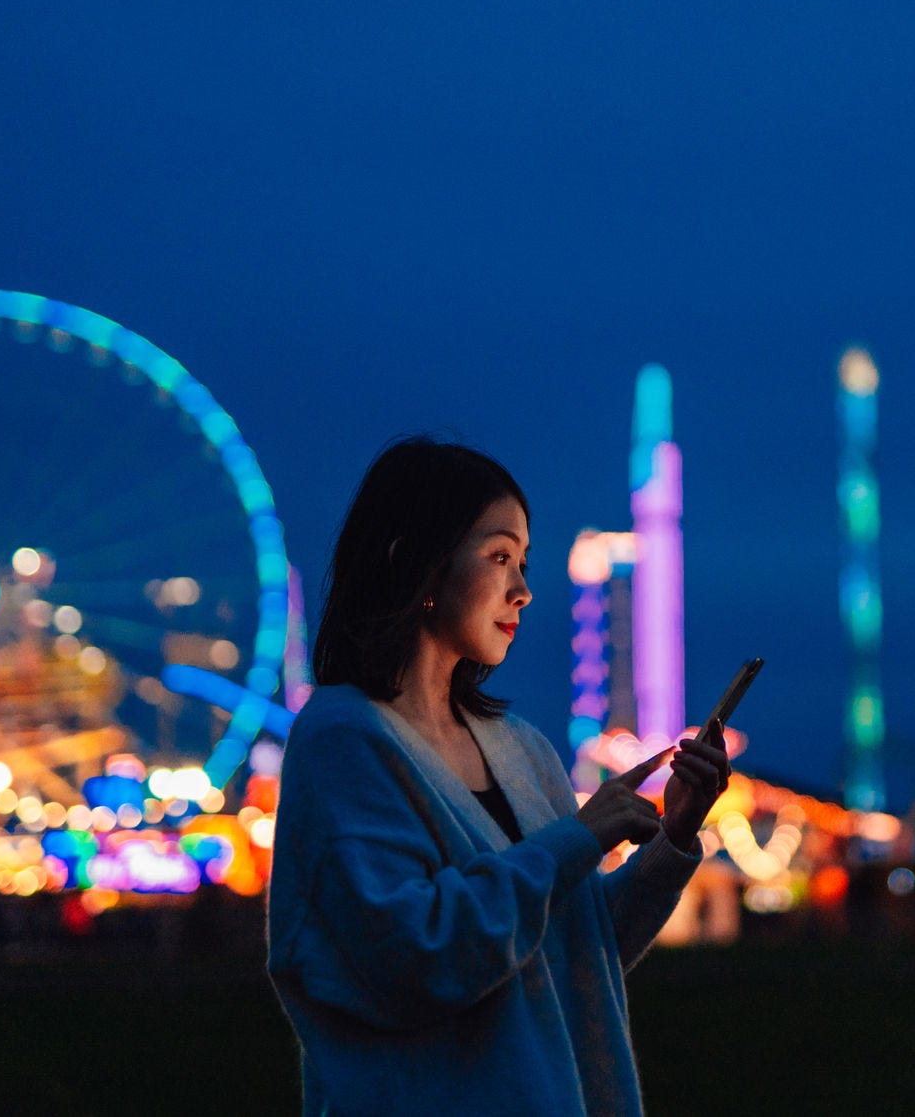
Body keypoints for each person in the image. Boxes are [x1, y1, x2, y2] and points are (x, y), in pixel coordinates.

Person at [268, 437, 731, 1116]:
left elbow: (575, 949)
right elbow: (412, 958)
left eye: (524, 561)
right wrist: (576, 838)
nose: (523, 588)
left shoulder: (522, 748)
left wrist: (676, 835)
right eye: (499, 556)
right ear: (413, 559)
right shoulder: (343, 740)